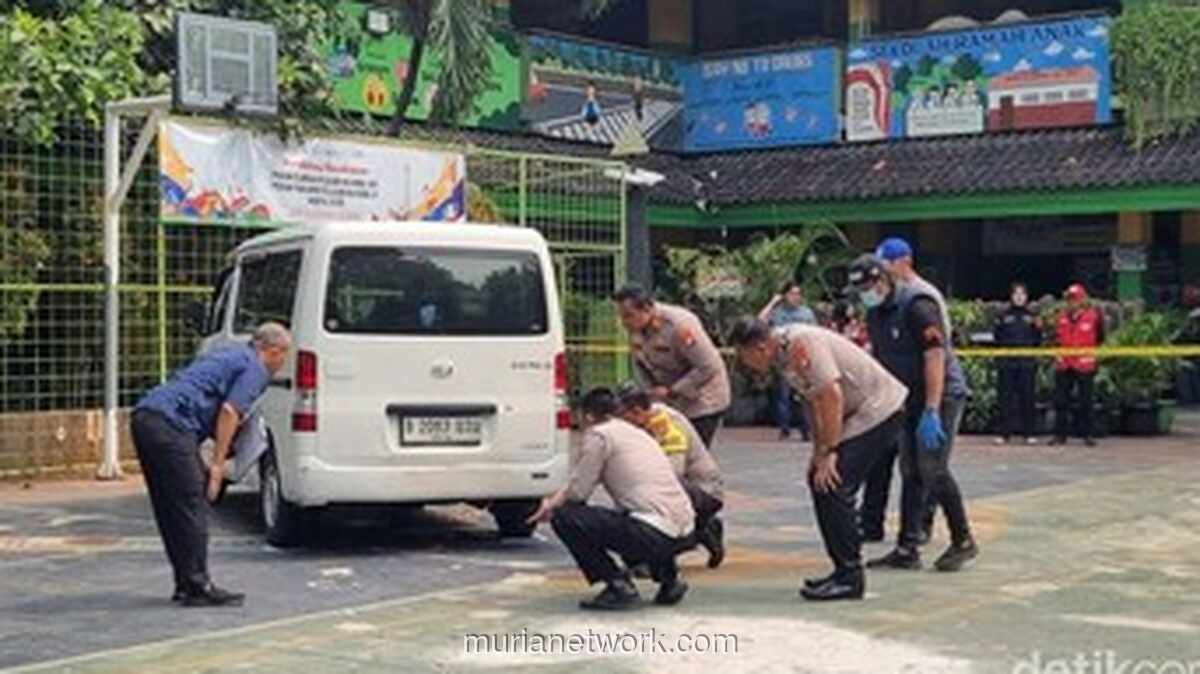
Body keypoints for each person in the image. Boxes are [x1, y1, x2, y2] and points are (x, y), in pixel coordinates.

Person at [730, 317, 906, 601]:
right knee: (820, 480)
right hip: (855, 414)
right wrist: (818, 451)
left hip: (877, 409)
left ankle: (850, 576)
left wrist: (830, 452)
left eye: (745, 357)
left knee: (834, 485)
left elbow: (831, 396)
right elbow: (812, 402)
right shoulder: (782, 355)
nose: (747, 367)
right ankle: (842, 570)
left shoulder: (801, 344)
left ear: (760, 348)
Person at [131, 322, 291, 607]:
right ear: (274, 351)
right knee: (193, 500)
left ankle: (185, 582)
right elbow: (230, 411)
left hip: (147, 417)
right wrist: (217, 466)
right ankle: (197, 585)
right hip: (172, 426)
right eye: (284, 355)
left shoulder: (230, 354)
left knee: (172, 506)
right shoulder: (256, 368)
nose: (283, 363)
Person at [846, 255, 978, 573]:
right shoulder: (876, 314)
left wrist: (932, 409)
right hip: (908, 397)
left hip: (940, 394)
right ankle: (908, 547)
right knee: (910, 469)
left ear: (884, 280)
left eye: (868, 286)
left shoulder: (918, 305)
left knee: (932, 466)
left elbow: (934, 356)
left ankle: (963, 539)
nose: (866, 294)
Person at [526, 387, 694, 611]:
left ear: (587, 416)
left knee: (566, 517)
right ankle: (670, 580)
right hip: (685, 531)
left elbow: (578, 493)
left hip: (653, 533)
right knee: (637, 513)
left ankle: (617, 584)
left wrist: (552, 506)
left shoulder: (599, 435)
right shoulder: (636, 433)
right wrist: (555, 498)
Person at [616, 383, 726, 568]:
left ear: (636, 412)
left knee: (653, 502)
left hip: (701, 489)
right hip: (680, 486)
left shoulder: (665, 423)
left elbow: (673, 472)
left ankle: (697, 533)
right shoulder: (639, 424)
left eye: (621, 416)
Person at [613, 284, 731, 448]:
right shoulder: (636, 329)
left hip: (703, 399)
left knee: (689, 454)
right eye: (620, 316)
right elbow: (641, 363)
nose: (624, 322)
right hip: (670, 399)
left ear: (646, 308)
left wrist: (673, 390)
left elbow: (708, 366)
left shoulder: (679, 325)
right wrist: (652, 391)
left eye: (628, 316)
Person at [759, 282, 818, 440]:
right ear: (785, 296)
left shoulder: (806, 313)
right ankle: (784, 429)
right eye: (792, 294)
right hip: (784, 360)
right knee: (783, 396)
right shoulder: (777, 313)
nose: (796, 297)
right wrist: (772, 302)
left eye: (798, 294)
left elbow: (816, 334)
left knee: (805, 396)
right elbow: (760, 322)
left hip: (803, 359)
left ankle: (807, 430)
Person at [1051, 283, 1105, 447]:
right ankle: (1060, 435)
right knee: (1061, 401)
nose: (1071, 302)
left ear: (1082, 300)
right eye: (1069, 299)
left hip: (1084, 365)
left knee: (1086, 401)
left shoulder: (1094, 317)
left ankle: (1088, 435)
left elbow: (1100, 338)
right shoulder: (1060, 317)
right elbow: (1055, 339)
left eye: (1074, 299)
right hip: (1064, 364)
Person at [994, 282, 1041, 445]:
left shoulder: (1033, 317)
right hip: (1007, 364)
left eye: (1022, 294)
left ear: (1027, 297)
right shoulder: (1003, 316)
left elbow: (1038, 339)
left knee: (1028, 399)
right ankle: (1003, 433)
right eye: (1016, 294)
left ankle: (1029, 433)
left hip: (1027, 364)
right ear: (1011, 296)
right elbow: (997, 338)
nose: (1019, 297)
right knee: (1005, 399)